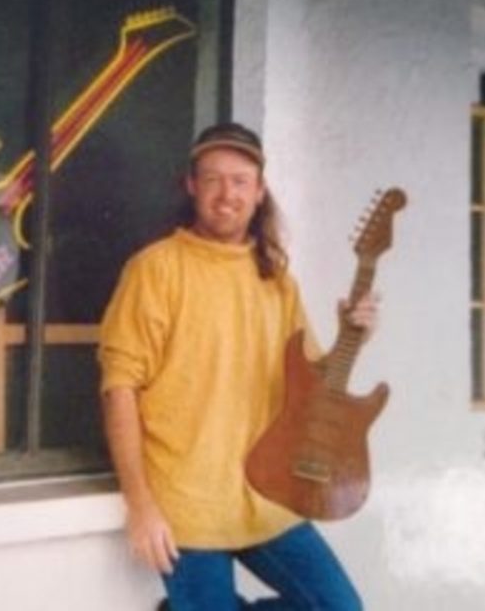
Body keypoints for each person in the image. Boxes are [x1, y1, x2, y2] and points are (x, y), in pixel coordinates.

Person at [98, 122, 378, 610]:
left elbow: (313, 383)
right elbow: (119, 387)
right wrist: (140, 506)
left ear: (260, 190)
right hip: (189, 503)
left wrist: (352, 335)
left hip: (267, 492)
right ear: (191, 186)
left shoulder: (277, 279)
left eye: (240, 180)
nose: (227, 194)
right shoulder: (156, 268)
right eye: (212, 179)